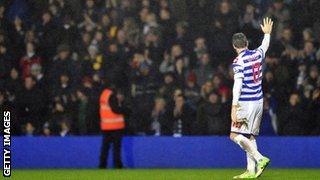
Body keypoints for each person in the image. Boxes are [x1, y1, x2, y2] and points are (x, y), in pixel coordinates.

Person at [230, 17, 273, 179]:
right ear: (246, 43)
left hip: (246, 103)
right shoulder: (256, 54)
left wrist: (234, 107)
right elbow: (264, 46)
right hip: (259, 101)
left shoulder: (238, 61)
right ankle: (251, 170)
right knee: (250, 136)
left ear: (234, 46)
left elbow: (238, 85)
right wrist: (267, 34)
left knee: (234, 135)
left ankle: (260, 158)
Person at [99, 87, 130, 169]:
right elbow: (115, 109)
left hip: (106, 126)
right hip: (115, 126)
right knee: (116, 148)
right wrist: (127, 110)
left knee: (105, 148)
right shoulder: (112, 95)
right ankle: (118, 166)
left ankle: (102, 166)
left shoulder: (104, 94)